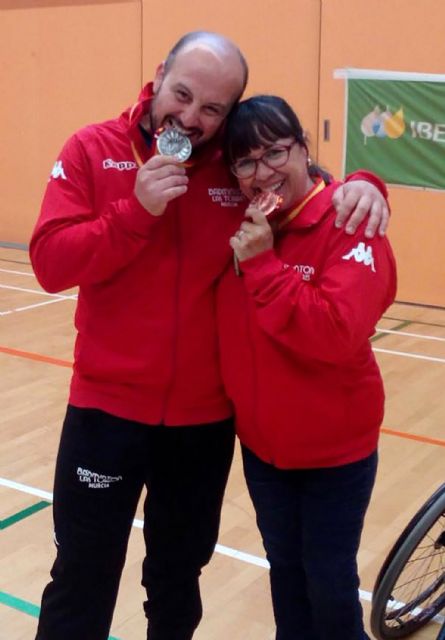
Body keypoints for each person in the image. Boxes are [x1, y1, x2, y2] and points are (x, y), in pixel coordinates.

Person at [30, 31, 390, 640]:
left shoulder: (233, 163)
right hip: (106, 411)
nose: (191, 117)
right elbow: (47, 263)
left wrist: (365, 181)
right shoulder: (94, 149)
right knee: (81, 579)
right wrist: (134, 212)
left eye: (213, 109)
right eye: (183, 94)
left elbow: (307, 182)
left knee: (177, 582)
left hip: (203, 426)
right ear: (161, 72)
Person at [218, 94, 397, 640]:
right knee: (286, 574)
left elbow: (335, 334)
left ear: (303, 148)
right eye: (246, 162)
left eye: (275, 153)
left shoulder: (349, 218)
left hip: (332, 454)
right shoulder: (248, 218)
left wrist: (263, 265)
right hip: (264, 450)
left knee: (327, 582)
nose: (262, 172)